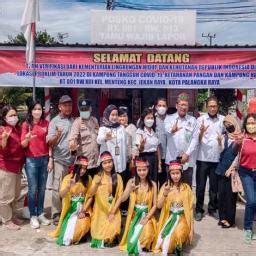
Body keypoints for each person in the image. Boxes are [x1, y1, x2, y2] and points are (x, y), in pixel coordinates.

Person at [115, 157, 157, 254]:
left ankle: (145, 245)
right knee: (133, 238)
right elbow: (123, 199)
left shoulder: (153, 184)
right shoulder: (131, 182)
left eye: (144, 170)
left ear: (148, 169)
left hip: (147, 214)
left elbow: (155, 205)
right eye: (139, 170)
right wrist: (129, 189)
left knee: (147, 233)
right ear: (136, 170)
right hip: (134, 215)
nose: (142, 172)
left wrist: (147, 218)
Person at [48, 156, 92, 246]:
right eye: (81, 168)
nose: (83, 171)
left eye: (85, 168)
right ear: (76, 167)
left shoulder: (88, 179)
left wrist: (84, 211)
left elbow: (90, 196)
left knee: (84, 225)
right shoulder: (68, 178)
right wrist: (68, 187)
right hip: (70, 210)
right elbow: (61, 195)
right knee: (69, 236)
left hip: (84, 209)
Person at [194, 96, 225, 221]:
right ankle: (199, 209)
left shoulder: (223, 120)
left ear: (218, 107)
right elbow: (196, 140)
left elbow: (228, 135)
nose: (213, 108)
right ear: (206, 107)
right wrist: (201, 133)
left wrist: (220, 140)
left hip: (216, 159)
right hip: (202, 158)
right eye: (210, 106)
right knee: (200, 187)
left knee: (214, 187)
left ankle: (213, 208)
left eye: (215, 106)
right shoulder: (200, 120)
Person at [21, 100, 50, 229]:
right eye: (35, 109)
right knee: (33, 189)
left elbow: (49, 143)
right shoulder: (26, 125)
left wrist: (51, 159)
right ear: (30, 111)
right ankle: (33, 215)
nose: (37, 111)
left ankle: (40, 213)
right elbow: (23, 144)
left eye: (39, 109)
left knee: (42, 188)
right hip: (31, 160)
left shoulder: (46, 123)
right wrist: (27, 138)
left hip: (44, 159)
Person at [154, 161, 193, 255]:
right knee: (165, 240)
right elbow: (158, 206)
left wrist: (192, 229)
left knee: (179, 232)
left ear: (181, 173)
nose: (175, 176)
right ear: (169, 174)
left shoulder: (186, 188)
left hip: (182, 218)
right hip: (168, 217)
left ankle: (178, 246)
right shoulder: (165, 186)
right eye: (173, 173)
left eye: (177, 173)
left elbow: (191, 209)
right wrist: (165, 194)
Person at [46, 95, 74, 225]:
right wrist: (57, 134)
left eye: (69, 105)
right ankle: (56, 214)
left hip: (73, 161)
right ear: (60, 107)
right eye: (65, 105)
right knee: (57, 188)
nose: (68, 108)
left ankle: (67, 210)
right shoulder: (54, 122)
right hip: (60, 160)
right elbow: (49, 142)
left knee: (70, 188)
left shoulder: (74, 120)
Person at [89, 151, 123, 248]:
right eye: (105, 163)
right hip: (100, 212)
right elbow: (90, 194)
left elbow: (120, 197)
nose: (108, 165)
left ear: (113, 162)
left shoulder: (118, 177)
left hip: (113, 209)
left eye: (109, 162)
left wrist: (113, 212)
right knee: (99, 234)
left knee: (113, 229)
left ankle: (112, 237)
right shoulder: (97, 177)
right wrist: (96, 184)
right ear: (101, 165)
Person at [164, 93, 197, 187]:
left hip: (186, 160)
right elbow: (166, 131)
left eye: (185, 105)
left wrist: (187, 154)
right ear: (176, 105)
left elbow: (195, 139)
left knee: (186, 188)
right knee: (170, 188)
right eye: (181, 104)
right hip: (172, 159)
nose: (183, 107)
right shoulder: (169, 118)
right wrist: (172, 130)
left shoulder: (193, 120)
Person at [0, 105, 24, 230]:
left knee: (14, 194)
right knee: (5, 196)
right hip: (6, 167)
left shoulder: (17, 129)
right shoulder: (3, 129)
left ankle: (12, 216)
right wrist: (4, 139)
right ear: (4, 118)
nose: (14, 117)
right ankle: (6, 220)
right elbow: (2, 150)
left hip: (17, 166)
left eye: (15, 115)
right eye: (11, 115)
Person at [215, 115, 241, 228]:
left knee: (231, 196)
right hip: (221, 168)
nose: (228, 127)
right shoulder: (224, 136)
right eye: (226, 125)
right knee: (221, 195)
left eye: (229, 124)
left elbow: (239, 156)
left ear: (234, 123)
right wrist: (219, 142)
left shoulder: (239, 138)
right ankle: (222, 217)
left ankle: (230, 219)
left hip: (232, 170)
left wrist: (231, 168)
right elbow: (220, 152)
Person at [237, 113, 256, 243]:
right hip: (246, 173)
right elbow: (232, 152)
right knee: (252, 200)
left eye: (253, 123)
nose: (251, 126)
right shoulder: (242, 139)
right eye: (248, 123)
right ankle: (248, 228)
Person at [69, 98, 99, 178]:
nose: (84, 111)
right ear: (79, 110)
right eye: (82, 110)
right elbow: (73, 139)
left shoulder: (95, 120)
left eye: (86, 109)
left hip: (95, 163)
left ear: (90, 109)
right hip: (83, 165)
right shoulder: (77, 123)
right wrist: (72, 146)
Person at [97, 105, 127, 182]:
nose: (115, 117)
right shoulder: (103, 128)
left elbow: (124, 145)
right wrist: (105, 138)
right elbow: (98, 140)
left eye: (116, 115)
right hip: (108, 162)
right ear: (107, 115)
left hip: (121, 161)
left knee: (120, 184)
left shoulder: (121, 128)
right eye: (112, 115)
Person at [135, 107, 161, 183]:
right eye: (148, 118)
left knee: (154, 180)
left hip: (154, 159)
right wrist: (142, 145)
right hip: (144, 158)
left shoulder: (154, 132)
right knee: (145, 181)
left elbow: (157, 148)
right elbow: (139, 149)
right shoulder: (140, 131)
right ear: (143, 119)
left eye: (152, 118)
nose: (150, 120)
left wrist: (159, 163)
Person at [154, 98, 168, 187]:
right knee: (154, 182)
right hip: (154, 157)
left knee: (164, 183)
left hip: (166, 157)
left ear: (167, 107)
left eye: (164, 106)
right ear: (156, 107)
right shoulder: (151, 119)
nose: (161, 107)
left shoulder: (170, 119)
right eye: (159, 105)